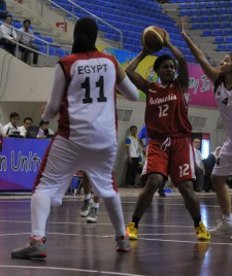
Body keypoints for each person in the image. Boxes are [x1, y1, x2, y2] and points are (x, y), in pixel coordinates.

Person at [10, 17, 139, 260]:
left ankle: (37, 240)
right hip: (105, 138)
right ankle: (122, 239)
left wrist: (46, 114)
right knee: (109, 188)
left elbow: (51, 107)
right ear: (96, 36)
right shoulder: (111, 61)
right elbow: (133, 95)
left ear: (75, 36)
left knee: (44, 186)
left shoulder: (66, 63)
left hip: (72, 135)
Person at [181, 19, 232, 241]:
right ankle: (228, 222)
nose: (221, 61)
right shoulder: (217, 82)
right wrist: (186, 36)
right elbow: (200, 57)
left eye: (226, 60)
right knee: (217, 178)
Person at [125, 29, 210, 241]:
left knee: (186, 187)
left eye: (172, 67)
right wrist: (145, 52)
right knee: (153, 181)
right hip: (158, 142)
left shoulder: (181, 86)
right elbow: (129, 71)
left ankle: (199, 224)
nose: (171, 69)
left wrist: (168, 43)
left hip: (181, 141)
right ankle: (134, 223)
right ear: (158, 71)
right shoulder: (151, 88)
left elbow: (181, 59)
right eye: (166, 67)